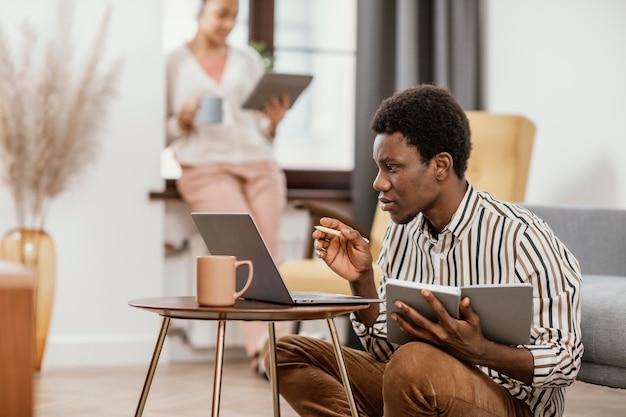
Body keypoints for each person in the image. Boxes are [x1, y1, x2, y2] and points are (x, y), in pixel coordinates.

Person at [269, 84, 583, 416]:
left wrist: (480, 350)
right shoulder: (401, 233)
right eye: (378, 167)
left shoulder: (521, 236)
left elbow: (565, 362)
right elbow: (383, 350)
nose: (378, 182)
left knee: (412, 363)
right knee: (284, 353)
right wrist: (361, 280)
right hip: (418, 384)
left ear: (440, 166)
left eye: (392, 167)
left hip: (510, 405)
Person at [165, 0, 293, 375]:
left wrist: (274, 123)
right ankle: (262, 351)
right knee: (241, 249)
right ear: (200, 11)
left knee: (272, 252)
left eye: (234, 15)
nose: (228, 23)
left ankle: (282, 350)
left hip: (258, 161)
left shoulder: (247, 60)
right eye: (221, 13)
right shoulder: (172, 63)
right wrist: (182, 121)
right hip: (205, 167)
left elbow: (257, 125)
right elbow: (160, 130)